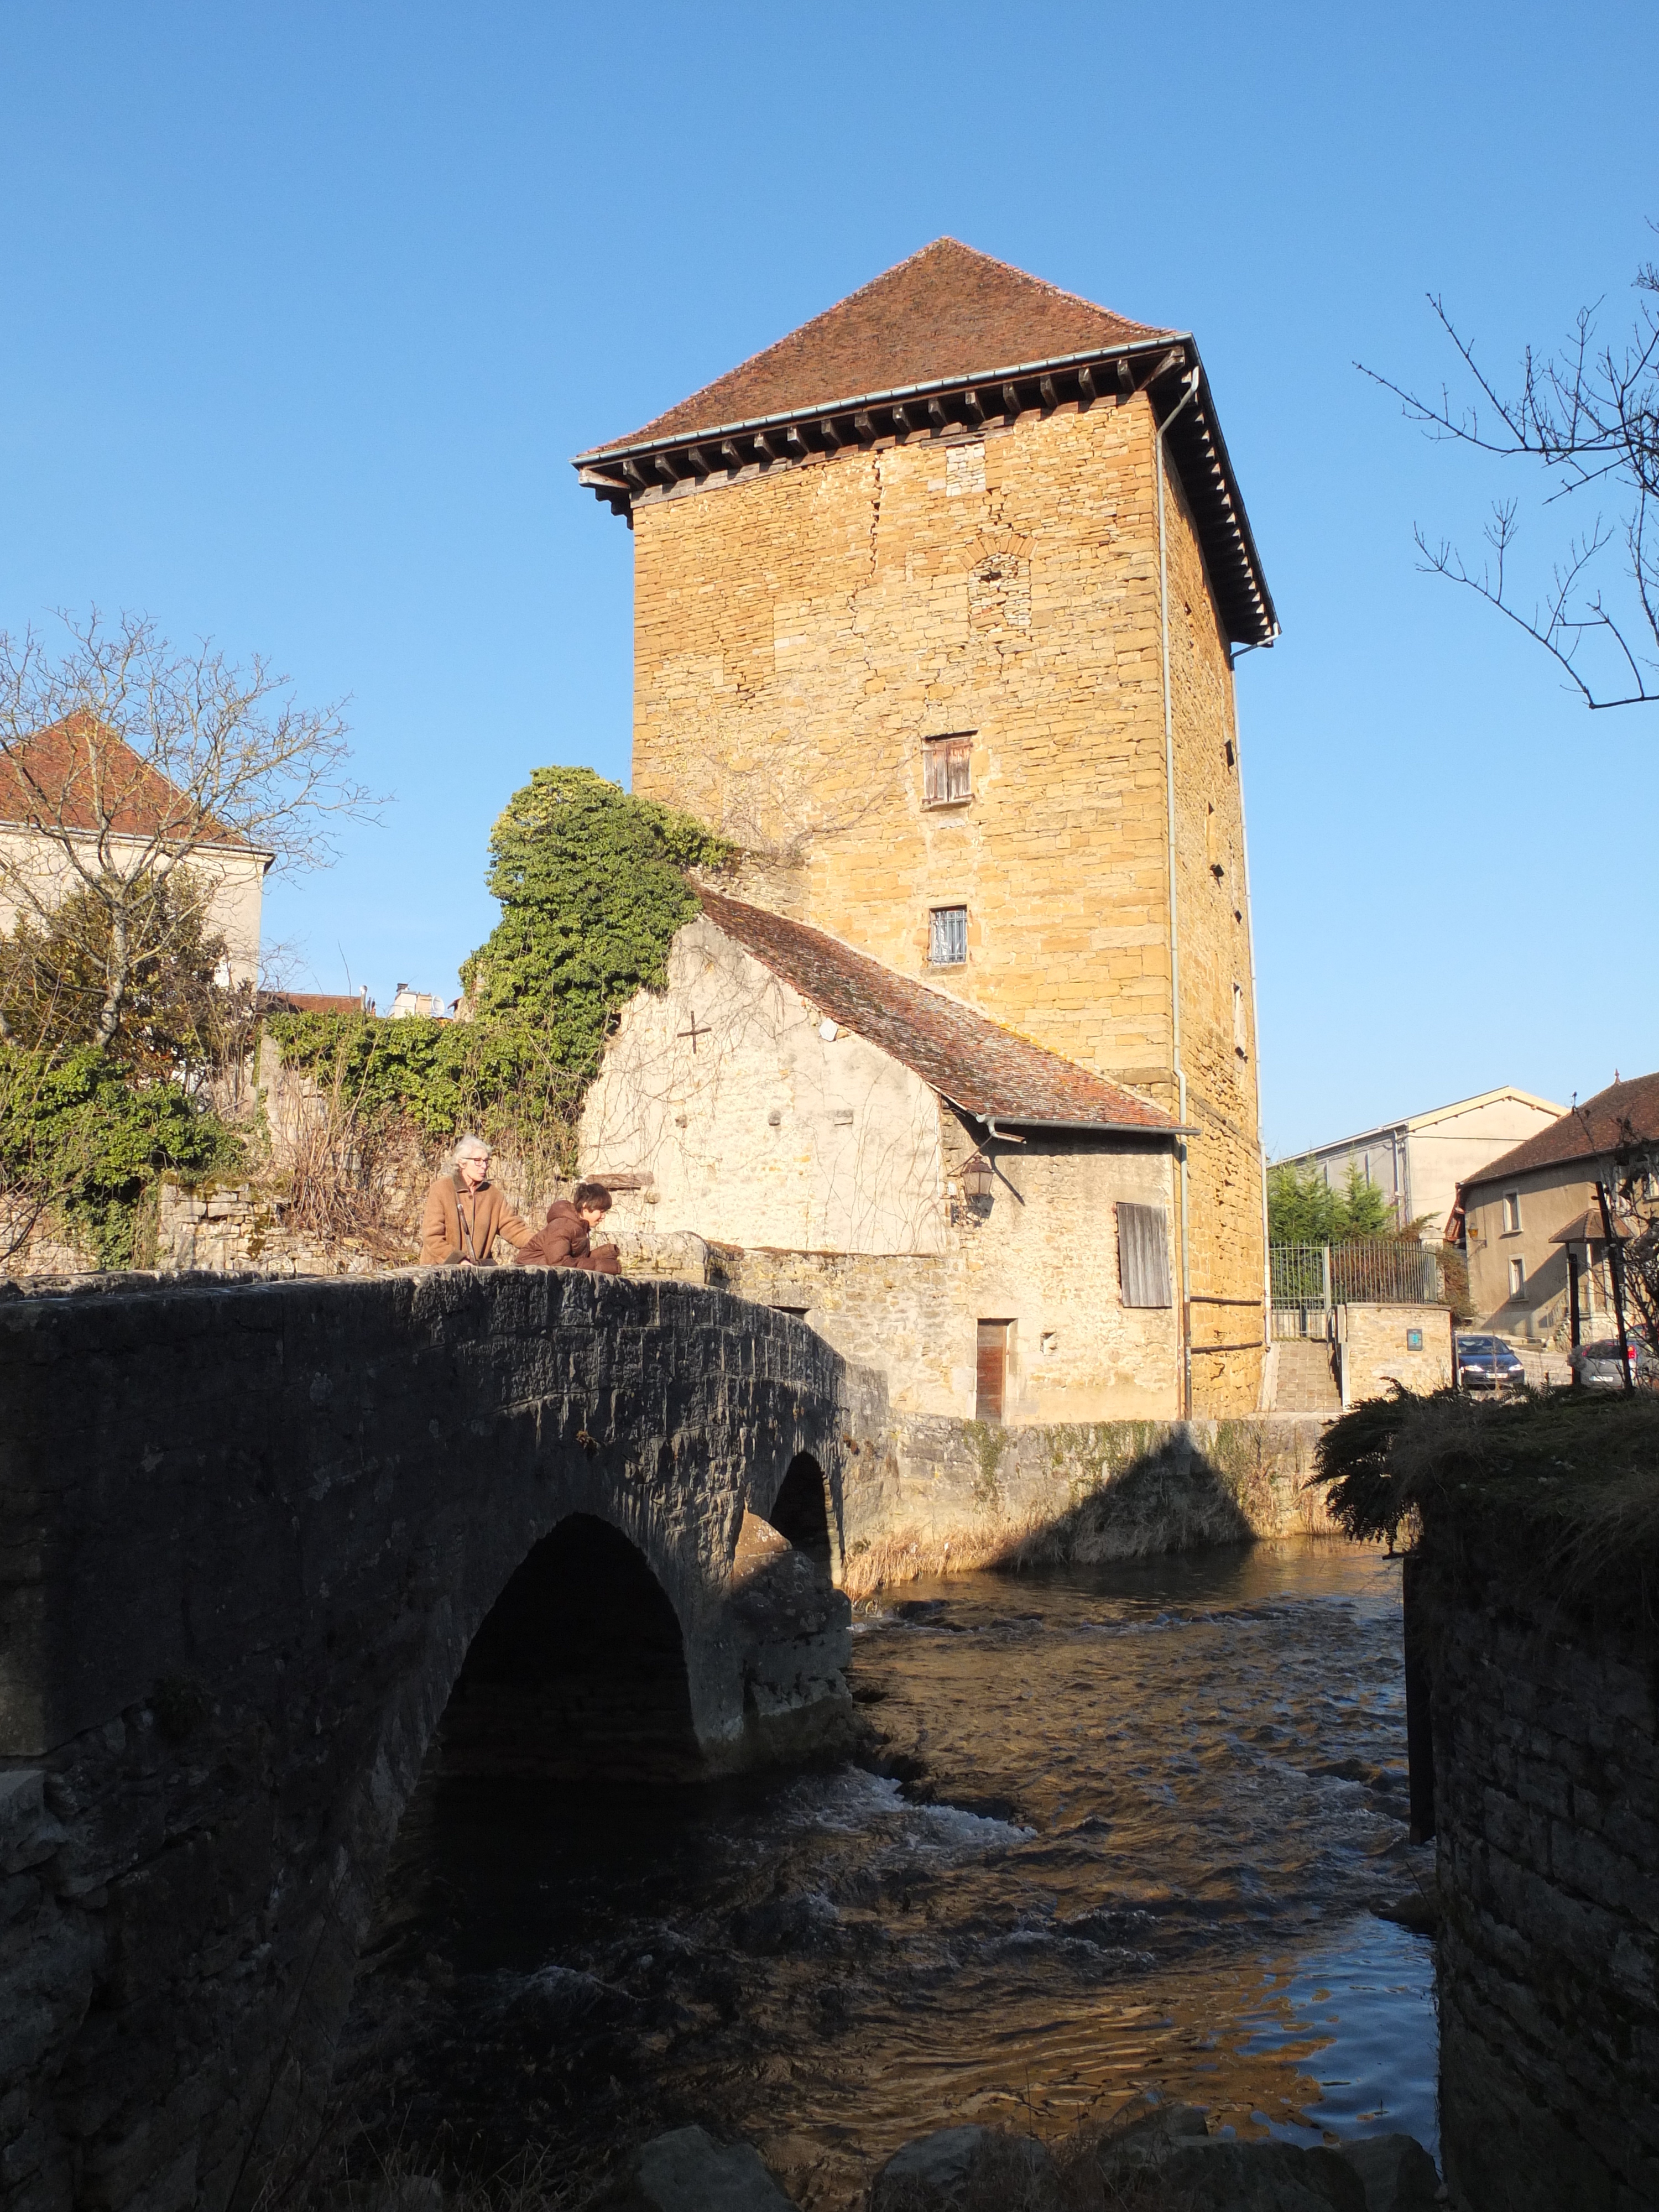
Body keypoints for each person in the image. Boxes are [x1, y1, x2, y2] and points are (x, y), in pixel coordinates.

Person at [419, 1136, 533, 1266]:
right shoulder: (441, 1189)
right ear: (462, 1163)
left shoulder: (493, 1195)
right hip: (440, 1275)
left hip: (476, 1276)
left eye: (486, 1161)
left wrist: (541, 1245)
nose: (484, 1166)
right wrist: (458, 1261)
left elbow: (515, 1229)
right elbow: (432, 1237)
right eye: (478, 1161)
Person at [515, 1181, 621, 1274]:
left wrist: (608, 1252)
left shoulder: (578, 1226)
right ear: (585, 1206)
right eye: (601, 1212)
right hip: (528, 1275)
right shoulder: (563, 1227)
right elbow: (560, 1263)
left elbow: (578, 1260)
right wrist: (605, 1266)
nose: (603, 1217)